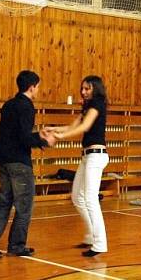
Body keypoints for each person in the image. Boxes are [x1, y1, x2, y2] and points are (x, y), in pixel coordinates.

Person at [0, 70, 54, 259]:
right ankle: (17, 245)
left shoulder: (8, 105)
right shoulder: (26, 106)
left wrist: (37, 136)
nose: (38, 90)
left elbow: (9, 134)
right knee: (24, 205)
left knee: (4, 202)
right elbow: (24, 137)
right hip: (19, 163)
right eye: (37, 87)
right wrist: (43, 140)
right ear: (31, 87)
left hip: (3, 160)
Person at [48, 75, 109, 257]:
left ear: (95, 89)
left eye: (87, 88)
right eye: (82, 88)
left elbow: (84, 127)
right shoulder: (87, 107)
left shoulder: (98, 104)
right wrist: (53, 130)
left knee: (90, 199)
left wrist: (59, 138)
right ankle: (91, 236)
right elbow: (72, 126)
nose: (83, 92)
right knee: (77, 197)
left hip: (96, 157)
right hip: (87, 157)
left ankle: (100, 244)